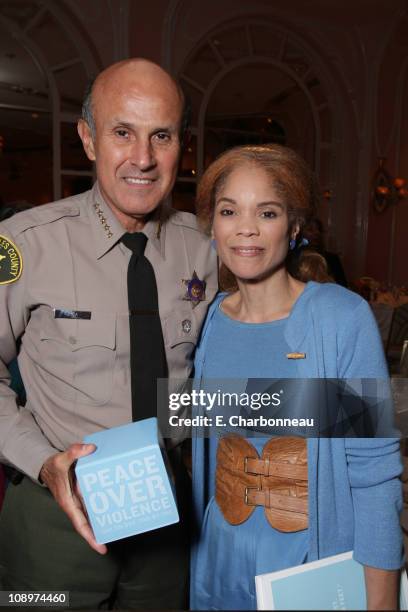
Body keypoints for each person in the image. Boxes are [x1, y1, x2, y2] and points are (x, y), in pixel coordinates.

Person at [0, 58, 218, 609]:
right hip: (57, 514)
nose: (142, 158)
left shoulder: (209, 249)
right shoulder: (23, 245)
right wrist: (44, 463)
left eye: (161, 136)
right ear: (88, 139)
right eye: (123, 132)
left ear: (181, 146)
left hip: (167, 515)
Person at [190, 144, 402, 610]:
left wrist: (382, 601)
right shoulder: (208, 322)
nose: (246, 227)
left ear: (295, 227)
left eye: (267, 212)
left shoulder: (342, 319)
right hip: (219, 555)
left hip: (311, 560)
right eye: (229, 211)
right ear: (213, 226)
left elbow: (374, 474)